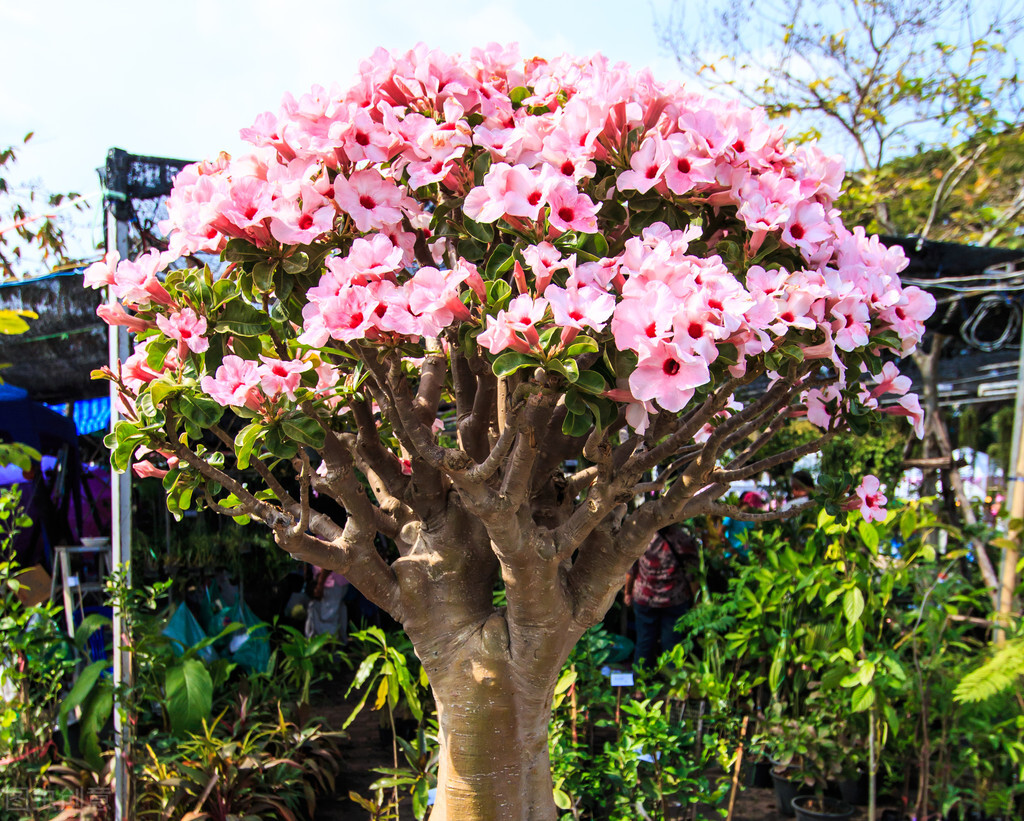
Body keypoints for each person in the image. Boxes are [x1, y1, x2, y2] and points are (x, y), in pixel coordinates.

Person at [624, 524, 697, 668]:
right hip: (675, 599)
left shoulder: (641, 538)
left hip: (644, 598)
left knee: (644, 641)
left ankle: (641, 684)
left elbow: (630, 571)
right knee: (672, 643)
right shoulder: (683, 539)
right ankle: (673, 684)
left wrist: (627, 592)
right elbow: (692, 575)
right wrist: (696, 600)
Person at [305, 565, 350, 643]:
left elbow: (328, 563)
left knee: (327, 617)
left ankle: (329, 648)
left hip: (330, 581)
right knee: (336, 612)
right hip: (335, 580)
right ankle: (338, 644)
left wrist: (320, 584)